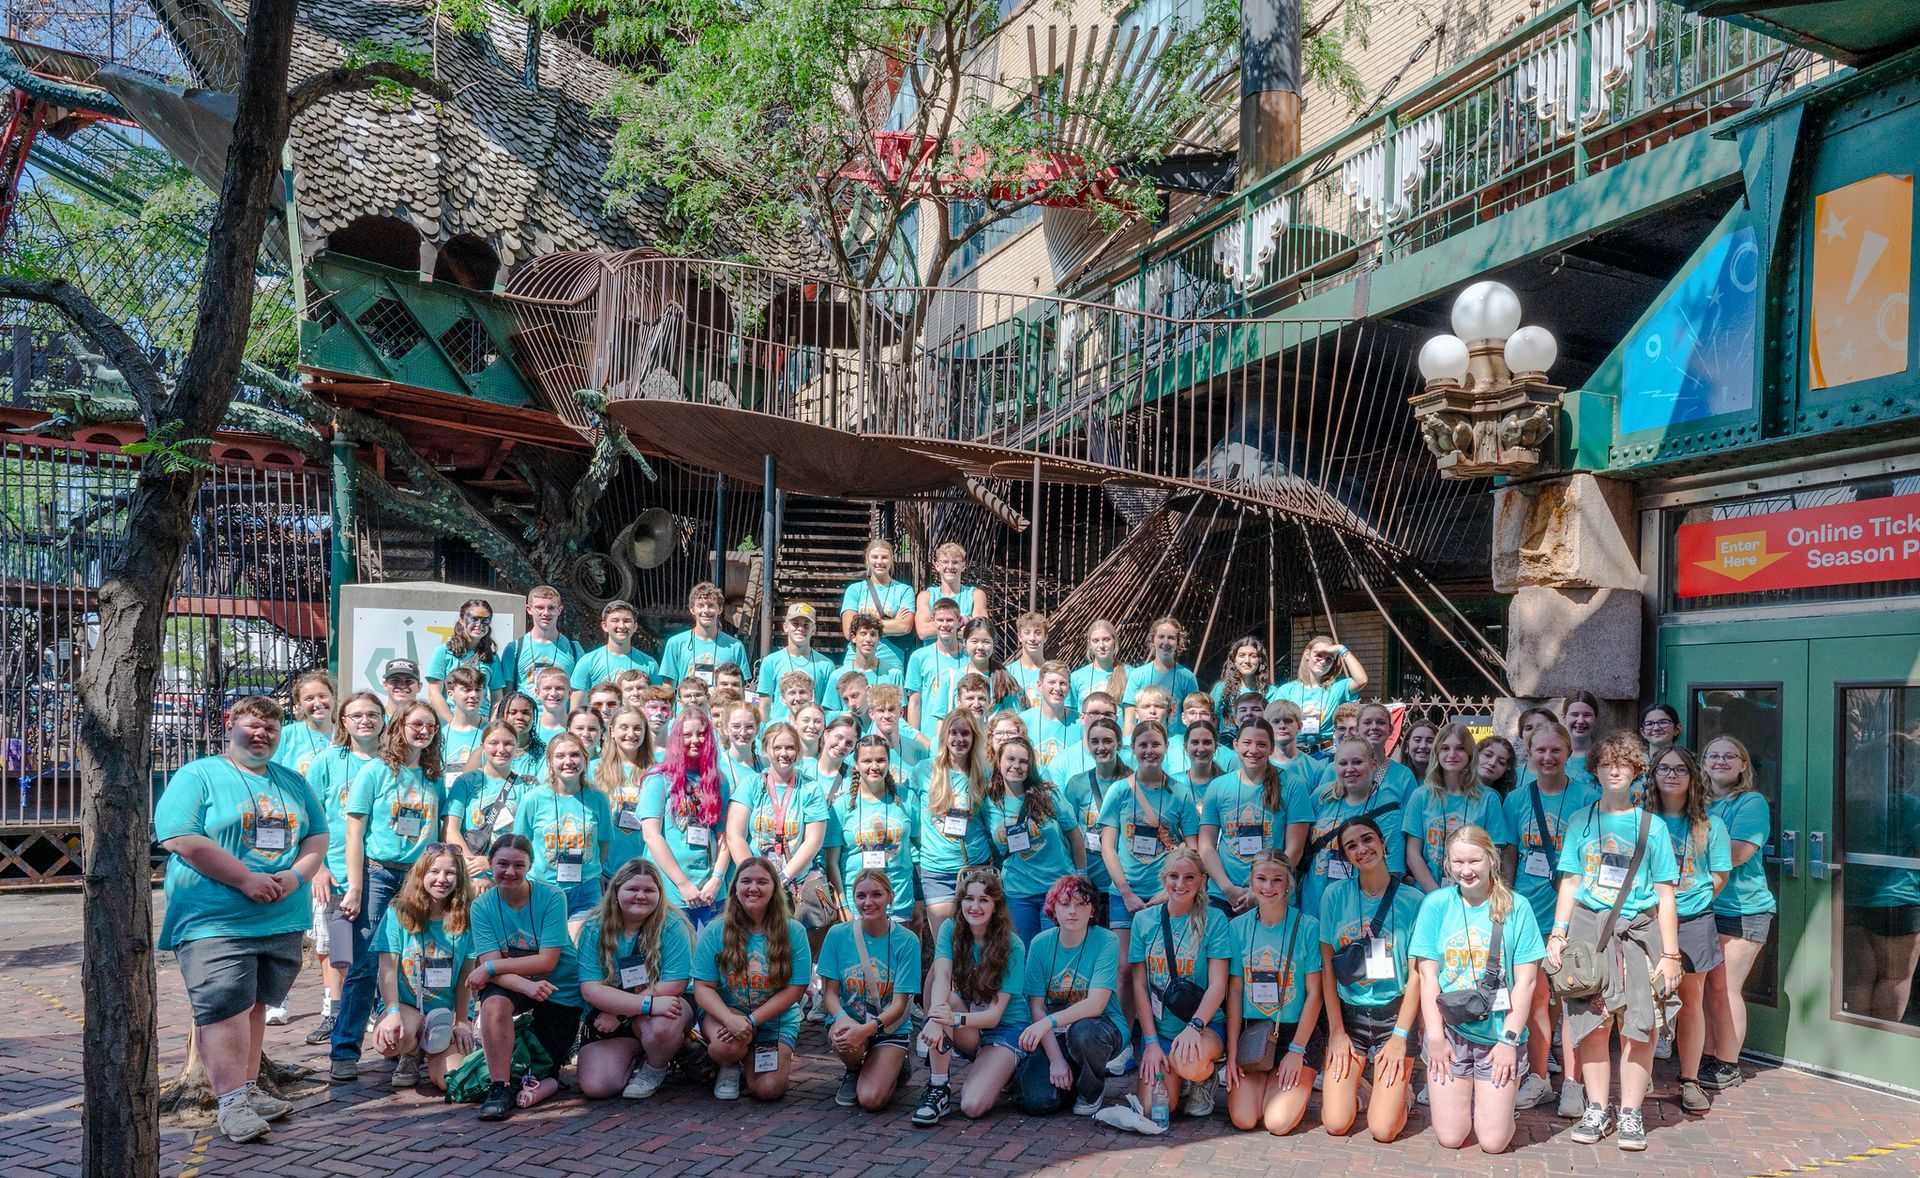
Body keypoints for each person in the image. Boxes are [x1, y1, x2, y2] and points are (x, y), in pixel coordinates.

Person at [156, 697, 328, 1143]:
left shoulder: (291, 780)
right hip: (215, 917)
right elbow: (179, 836)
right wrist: (246, 880)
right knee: (223, 1007)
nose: (263, 734)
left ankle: (249, 1089)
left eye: (272, 727)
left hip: (279, 917)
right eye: (253, 725)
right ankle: (229, 1104)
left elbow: (317, 834)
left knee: (254, 1005)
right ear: (230, 725)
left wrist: (294, 876)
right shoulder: (199, 775)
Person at [1546, 731, 1683, 1151]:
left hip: (1638, 932)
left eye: (1623, 763)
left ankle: (1630, 1112)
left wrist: (1672, 954)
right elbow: (1570, 880)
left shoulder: (1652, 826)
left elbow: (1665, 894)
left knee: (1638, 1026)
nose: (1615, 770)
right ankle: (1597, 1107)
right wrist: (1558, 932)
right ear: (1597, 770)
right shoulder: (1580, 821)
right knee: (1591, 1024)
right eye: (1607, 763)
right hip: (1589, 932)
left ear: (1638, 771)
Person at [1411, 825, 1546, 1155]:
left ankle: (1497, 1106)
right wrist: (1435, 1037)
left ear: (1491, 859)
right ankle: (1472, 1098)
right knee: (1451, 1137)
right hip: (1452, 1031)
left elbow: (1527, 980)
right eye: (1457, 862)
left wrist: (1509, 1041)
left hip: (1498, 1032)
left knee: (1493, 1142)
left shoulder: (1517, 907)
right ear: (1447, 863)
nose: (1466, 870)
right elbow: (1427, 977)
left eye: (1474, 861)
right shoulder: (1435, 904)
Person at [333, 702, 448, 1081]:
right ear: (399, 727)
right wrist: (355, 885)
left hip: (418, 878)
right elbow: (354, 832)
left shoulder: (434, 777)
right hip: (379, 874)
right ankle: (345, 1050)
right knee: (365, 963)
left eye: (430, 726)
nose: (423, 731)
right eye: (416, 724)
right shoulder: (376, 771)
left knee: (413, 961)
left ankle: (404, 1046)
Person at [1499, 719, 1597, 1114]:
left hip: (1576, 910)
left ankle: (1573, 1083)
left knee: (1574, 997)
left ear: (1567, 752)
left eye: (1555, 750)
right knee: (1538, 998)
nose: (1547, 757)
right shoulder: (1516, 800)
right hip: (1529, 906)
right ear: (1530, 753)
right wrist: (1504, 898)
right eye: (1540, 751)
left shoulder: (1587, 797)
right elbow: (1509, 854)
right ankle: (1540, 1077)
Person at [1101, 719, 1199, 1072]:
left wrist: (1167, 891)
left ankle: (1156, 1039)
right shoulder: (1119, 792)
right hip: (1126, 896)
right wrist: (1125, 892)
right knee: (1125, 969)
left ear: (1165, 748)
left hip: (1167, 895)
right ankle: (1123, 1041)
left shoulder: (1180, 793)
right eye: (1142, 745)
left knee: (1163, 967)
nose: (1149, 751)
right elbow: (1108, 847)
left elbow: (1193, 847)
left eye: (1155, 745)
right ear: (1132, 748)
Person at [1317, 816, 1422, 1142]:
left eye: (1367, 839)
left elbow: (1417, 977)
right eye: (1351, 845)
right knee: (1336, 1123)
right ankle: (1364, 1084)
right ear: (1346, 857)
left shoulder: (1413, 901)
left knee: (1383, 1130)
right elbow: (1327, 967)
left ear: (1382, 843)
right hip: (1351, 1017)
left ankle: (1399, 1093)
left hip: (1394, 1016)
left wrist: (1400, 1036)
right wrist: (1336, 1032)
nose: (1362, 849)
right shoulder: (1334, 896)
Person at [464, 834, 581, 1121]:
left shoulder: (553, 896)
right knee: (493, 1006)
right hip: (521, 983)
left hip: (558, 985)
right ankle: (499, 1086)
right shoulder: (481, 907)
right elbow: (492, 963)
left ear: (530, 865)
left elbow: (547, 960)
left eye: (519, 865)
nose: (509, 872)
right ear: (490, 863)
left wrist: (491, 968)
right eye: (502, 863)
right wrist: (525, 985)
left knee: (543, 1069)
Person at [1649, 746, 1731, 1115]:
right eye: (1663, 769)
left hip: (1693, 921)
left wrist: (1690, 900)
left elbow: (1719, 875)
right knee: (1642, 999)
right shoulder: (1642, 820)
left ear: (1692, 776)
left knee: (1690, 1003)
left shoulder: (1710, 824)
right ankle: (1642, 1074)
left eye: (1680, 769)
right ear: (1653, 775)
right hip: (1646, 919)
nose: (1671, 775)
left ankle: (1690, 1079)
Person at [302, 690, 386, 1046]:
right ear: (344, 722)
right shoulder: (327, 762)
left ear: (384, 719)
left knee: (376, 945)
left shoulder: (392, 760)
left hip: (380, 867)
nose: (365, 720)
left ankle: (378, 1008)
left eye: (372, 714)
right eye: (356, 715)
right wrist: (317, 866)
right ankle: (333, 1011)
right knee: (336, 946)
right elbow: (308, 814)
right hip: (334, 866)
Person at [914, 866, 1030, 1124]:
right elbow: (942, 975)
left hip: (1005, 1029)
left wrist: (950, 1020)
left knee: (972, 1105)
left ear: (996, 905)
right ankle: (938, 1088)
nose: (974, 907)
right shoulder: (950, 929)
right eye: (969, 898)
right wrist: (935, 1018)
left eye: (983, 900)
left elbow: (994, 1016)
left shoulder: (1012, 945)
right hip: (971, 1025)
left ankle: (1007, 1068)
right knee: (941, 995)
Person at [573, 859, 696, 1101]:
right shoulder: (594, 927)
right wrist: (639, 1007)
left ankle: (655, 1067)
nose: (641, 896)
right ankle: (652, 1050)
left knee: (661, 1027)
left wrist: (621, 1013)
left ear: (660, 894)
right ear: (616, 890)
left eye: (649, 890)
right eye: (632, 889)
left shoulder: (672, 924)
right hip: (616, 1012)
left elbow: (675, 985)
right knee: (597, 1086)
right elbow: (590, 989)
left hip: (663, 1005)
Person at [691, 856, 812, 1100]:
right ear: (734, 888)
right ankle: (730, 1063)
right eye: (745, 881)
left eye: (762, 882)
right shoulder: (716, 930)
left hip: (773, 1020)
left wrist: (752, 1021)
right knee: (727, 1047)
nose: (753, 888)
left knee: (768, 1090)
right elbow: (703, 987)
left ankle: (748, 1055)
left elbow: (795, 990)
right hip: (727, 1013)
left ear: (774, 889)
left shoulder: (794, 931)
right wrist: (730, 1019)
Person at [1222, 851, 1322, 1135]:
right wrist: (1232, 1054)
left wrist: (1296, 1050)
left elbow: (1315, 995)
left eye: (1277, 880)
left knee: (1277, 1123)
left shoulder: (1308, 927)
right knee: (1244, 1119)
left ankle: (1286, 1081)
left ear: (1288, 883)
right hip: (1256, 1035)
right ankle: (1265, 1083)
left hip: (1295, 1035)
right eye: (1261, 879)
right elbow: (1235, 990)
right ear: (1251, 882)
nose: (1269, 887)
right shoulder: (1237, 927)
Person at [1129, 848, 1230, 1119]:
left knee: (1189, 1061)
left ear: (1202, 881)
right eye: (1174, 876)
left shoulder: (1215, 919)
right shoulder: (1143, 920)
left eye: (1189, 877)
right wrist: (1149, 1042)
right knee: (1155, 1109)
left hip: (1204, 1026)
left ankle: (1201, 1078)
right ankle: (1178, 1074)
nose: (1180, 884)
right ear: (1163, 878)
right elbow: (1140, 985)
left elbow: (1218, 984)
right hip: (1161, 1031)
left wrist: (1194, 1027)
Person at [1016, 873, 1127, 1115]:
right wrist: (1055, 1061)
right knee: (1036, 1102)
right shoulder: (1039, 943)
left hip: (1100, 1028)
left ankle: (1091, 1089)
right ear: (1053, 909)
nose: (1072, 911)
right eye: (1065, 904)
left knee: (1083, 1032)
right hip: (1055, 1034)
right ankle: (1070, 1079)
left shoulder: (1106, 940)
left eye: (1081, 904)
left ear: (1092, 910)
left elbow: (1096, 1005)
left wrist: (1048, 1022)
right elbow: (1036, 1005)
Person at [369, 846, 475, 1091]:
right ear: (421, 875)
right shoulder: (398, 912)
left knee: (453, 1082)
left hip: (445, 1013)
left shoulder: (467, 916)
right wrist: (392, 1012)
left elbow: (466, 976)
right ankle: (411, 1052)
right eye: (434, 871)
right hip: (407, 1006)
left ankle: (437, 1050)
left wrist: (462, 1021)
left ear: (459, 878)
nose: (441, 879)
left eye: (450, 873)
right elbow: (386, 968)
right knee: (390, 1042)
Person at [1702, 734, 1775, 1094]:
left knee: (1724, 988)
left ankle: (1727, 1063)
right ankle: (1705, 1057)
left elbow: (1736, 854)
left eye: (1730, 756)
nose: (1721, 761)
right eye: (1713, 755)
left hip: (1743, 910)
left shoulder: (1751, 803)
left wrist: (1681, 856)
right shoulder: (1696, 802)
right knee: (1703, 990)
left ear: (1743, 765)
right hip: (1702, 908)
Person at [820, 868, 922, 1110]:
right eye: (861, 896)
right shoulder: (837, 935)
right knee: (845, 1037)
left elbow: (900, 1004)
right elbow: (830, 994)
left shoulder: (907, 941)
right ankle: (854, 1069)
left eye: (876, 895)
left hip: (889, 1026)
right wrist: (843, 1020)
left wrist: (868, 1029)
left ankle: (895, 1063)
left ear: (890, 896)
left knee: (870, 1100)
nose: (868, 902)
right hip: (850, 1020)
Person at [1198, 719, 1310, 918]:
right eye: (1247, 743)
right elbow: (1206, 845)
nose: (1253, 750)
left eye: (1262, 744)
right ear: (1235, 745)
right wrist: (1227, 888)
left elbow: (1295, 849)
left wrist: (1259, 892)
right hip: (1224, 895)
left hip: (1272, 893)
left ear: (1271, 747)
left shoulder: (1293, 785)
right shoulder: (1218, 787)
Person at [979, 736, 1085, 941]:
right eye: (1010, 759)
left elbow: (1074, 836)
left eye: (1023, 761)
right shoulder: (989, 802)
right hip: (1018, 892)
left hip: (1056, 888)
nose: (1016, 766)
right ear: (999, 761)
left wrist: (1080, 877)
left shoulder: (1048, 793)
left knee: (1053, 951)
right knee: (1025, 954)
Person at [640, 708, 731, 931]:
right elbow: (651, 836)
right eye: (687, 735)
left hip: (711, 891)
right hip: (670, 890)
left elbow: (724, 836)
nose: (695, 740)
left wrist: (717, 879)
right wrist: (683, 885)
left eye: (701, 734)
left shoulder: (719, 781)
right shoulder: (658, 778)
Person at [511, 732, 612, 935]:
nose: (568, 762)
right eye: (560, 756)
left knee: (580, 949)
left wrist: (589, 869)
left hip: (586, 890)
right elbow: (520, 846)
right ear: (550, 761)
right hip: (542, 888)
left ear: (585, 759)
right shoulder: (533, 799)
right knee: (546, 953)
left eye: (575, 755)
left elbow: (603, 843)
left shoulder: (598, 799)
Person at [1300, 738, 1404, 920]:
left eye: (1357, 762)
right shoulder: (1322, 796)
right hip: (1314, 906)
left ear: (1373, 764)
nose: (1350, 769)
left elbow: (1392, 871)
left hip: (1358, 911)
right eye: (1343, 763)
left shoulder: (1388, 808)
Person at [912, 711, 994, 939]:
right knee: (944, 945)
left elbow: (992, 819)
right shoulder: (923, 771)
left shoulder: (985, 773)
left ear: (974, 737)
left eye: (965, 733)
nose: (959, 739)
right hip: (936, 870)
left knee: (977, 943)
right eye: (953, 733)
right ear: (944, 736)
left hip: (975, 867)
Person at [1404, 723, 1513, 893]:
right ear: (1437, 753)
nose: (1452, 754)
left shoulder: (1489, 799)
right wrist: (1435, 895)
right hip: (1427, 893)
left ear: (1470, 753)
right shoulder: (1421, 796)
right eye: (1445, 748)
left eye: (1460, 748)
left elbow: (1493, 854)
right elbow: (1413, 854)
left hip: (1473, 894)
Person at [830, 736, 918, 925]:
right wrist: (842, 905)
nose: (874, 766)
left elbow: (920, 847)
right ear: (856, 764)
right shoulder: (842, 806)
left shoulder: (907, 798)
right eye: (867, 761)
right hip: (858, 904)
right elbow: (832, 862)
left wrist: (919, 898)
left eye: (880, 760)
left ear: (888, 761)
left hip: (899, 902)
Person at [450, 722, 530, 886]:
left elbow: (528, 838)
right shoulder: (465, 782)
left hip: (510, 876)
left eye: (508, 743)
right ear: (483, 747)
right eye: (493, 743)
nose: (501, 749)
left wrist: (492, 862)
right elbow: (451, 830)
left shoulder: (527, 787)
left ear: (517, 748)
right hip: (470, 875)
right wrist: (475, 870)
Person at [1273, 636, 1367, 753]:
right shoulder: (1287, 690)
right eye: (1319, 655)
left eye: (1329, 658)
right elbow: (1274, 723)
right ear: (1307, 655)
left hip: (1326, 753)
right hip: (1293, 752)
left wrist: (1341, 649)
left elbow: (1361, 680)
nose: (1323, 661)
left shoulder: (1336, 688)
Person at [658, 582, 750, 689]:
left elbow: (742, 688)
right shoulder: (675, 643)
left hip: (720, 705)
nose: (706, 611)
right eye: (700, 605)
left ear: (720, 609)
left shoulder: (735, 646)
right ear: (692, 609)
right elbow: (668, 687)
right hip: (687, 705)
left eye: (711, 605)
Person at [569, 600, 659, 709]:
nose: (621, 626)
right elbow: (576, 710)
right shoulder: (587, 662)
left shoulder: (649, 664)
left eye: (627, 621)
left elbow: (656, 705)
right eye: (615, 620)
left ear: (635, 627)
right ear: (604, 626)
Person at [840, 538, 917, 666]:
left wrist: (861, 625)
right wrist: (893, 623)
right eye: (875, 557)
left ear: (892, 559)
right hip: (856, 657)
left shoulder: (904, 591)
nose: (879, 562)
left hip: (891, 657)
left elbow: (904, 627)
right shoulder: (855, 590)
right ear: (867, 559)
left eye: (884, 557)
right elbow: (849, 630)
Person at [499, 585, 583, 696]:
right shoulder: (514, 649)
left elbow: (580, 691)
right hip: (526, 712)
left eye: (551, 608)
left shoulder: (574, 649)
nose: (546, 613)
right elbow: (507, 694)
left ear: (560, 610)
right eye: (540, 607)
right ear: (529, 609)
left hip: (561, 712)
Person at [1123, 617, 1199, 738]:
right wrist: (1127, 749)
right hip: (1144, 741)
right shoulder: (1137, 675)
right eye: (1161, 637)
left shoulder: (1187, 678)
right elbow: (1129, 719)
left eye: (1171, 638)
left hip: (1176, 743)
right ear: (1153, 640)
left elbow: (1194, 718)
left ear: (1179, 642)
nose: (1166, 642)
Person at [904, 598, 969, 739]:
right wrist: (915, 738)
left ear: (959, 621)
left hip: (962, 735)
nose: (945, 625)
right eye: (940, 620)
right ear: (933, 621)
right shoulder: (919, 657)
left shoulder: (968, 656)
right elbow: (915, 703)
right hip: (930, 736)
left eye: (950, 620)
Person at [426, 598, 502, 719]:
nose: (479, 625)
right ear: (462, 621)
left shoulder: (491, 658)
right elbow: (434, 693)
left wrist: (491, 726)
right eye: (474, 619)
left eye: (484, 621)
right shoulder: (443, 652)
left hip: (481, 721)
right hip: (449, 719)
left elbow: (497, 696)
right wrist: (452, 724)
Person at [1017, 661, 1078, 778]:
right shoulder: (1023, 720)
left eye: (1063, 683)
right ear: (1039, 686)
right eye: (1052, 682)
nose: (1057, 688)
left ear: (1069, 688)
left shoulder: (1080, 722)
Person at [915, 540, 989, 637]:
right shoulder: (926, 596)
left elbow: (980, 630)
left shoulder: (976, 595)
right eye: (945, 562)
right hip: (934, 652)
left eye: (955, 562)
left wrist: (939, 627)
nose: (950, 566)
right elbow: (923, 632)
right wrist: (965, 621)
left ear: (963, 566)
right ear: (937, 566)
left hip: (965, 652)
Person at [273, 671, 336, 778]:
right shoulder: (285, 735)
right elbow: (271, 774)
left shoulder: (346, 735)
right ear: (300, 705)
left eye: (322, 696)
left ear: (333, 699)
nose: (318, 703)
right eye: (309, 699)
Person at [1356, 703, 1419, 802]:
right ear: (1357, 730)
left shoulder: (1404, 775)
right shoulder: (1337, 770)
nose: (1374, 727)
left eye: (1381, 722)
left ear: (1390, 730)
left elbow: (1411, 814)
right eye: (1367, 722)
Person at [438, 667, 489, 785]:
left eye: (478, 689)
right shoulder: (439, 736)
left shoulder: (492, 734)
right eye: (467, 690)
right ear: (450, 694)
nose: (474, 695)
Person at [1069, 619, 1127, 711]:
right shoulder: (1075, 677)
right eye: (1096, 641)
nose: (1101, 645)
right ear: (1089, 644)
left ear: (1114, 641)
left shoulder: (1131, 674)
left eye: (1106, 639)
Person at [1209, 637, 1276, 713]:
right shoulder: (1220, 689)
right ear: (1234, 660)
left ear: (1260, 661)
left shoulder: (1271, 692)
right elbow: (1211, 720)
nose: (1247, 660)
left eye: (1253, 656)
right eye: (1242, 655)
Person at [1007, 612, 1052, 710]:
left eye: (1038, 633)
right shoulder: (1007, 673)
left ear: (1046, 637)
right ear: (1019, 636)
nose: (1032, 638)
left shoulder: (1053, 672)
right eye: (1027, 633)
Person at [1564, 691, 1600, 778]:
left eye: (1587, 715)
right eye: (1574, 715)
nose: (1580, 721)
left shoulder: (1605, 756)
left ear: (1596, 718)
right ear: (1564, 717)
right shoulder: (1554, 756)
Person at [1397, 717, 1439, 786]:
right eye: (1417, 740)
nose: (1423, 746)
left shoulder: (1446, 781)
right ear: (1407, 746)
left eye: (1430, 741)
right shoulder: (1396, 778)